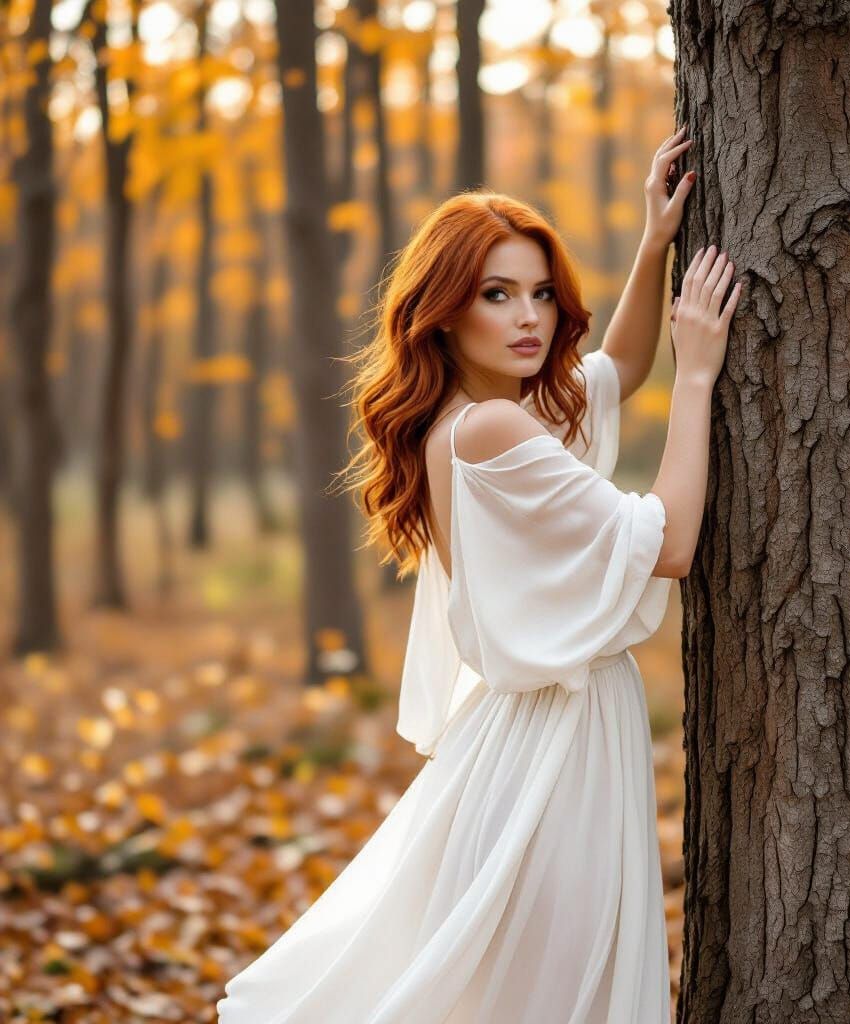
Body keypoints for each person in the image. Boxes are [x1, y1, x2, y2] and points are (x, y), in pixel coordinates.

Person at [216, 124, 741, 1023]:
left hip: (542, 733)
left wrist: (655, 242)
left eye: (541, 293)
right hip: (551, 751)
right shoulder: (492, 430)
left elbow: (618, 368)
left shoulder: (483, 417)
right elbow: (670, 547)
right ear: (446, 311)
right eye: (497, 295)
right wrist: (697, 379)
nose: (530, 317)